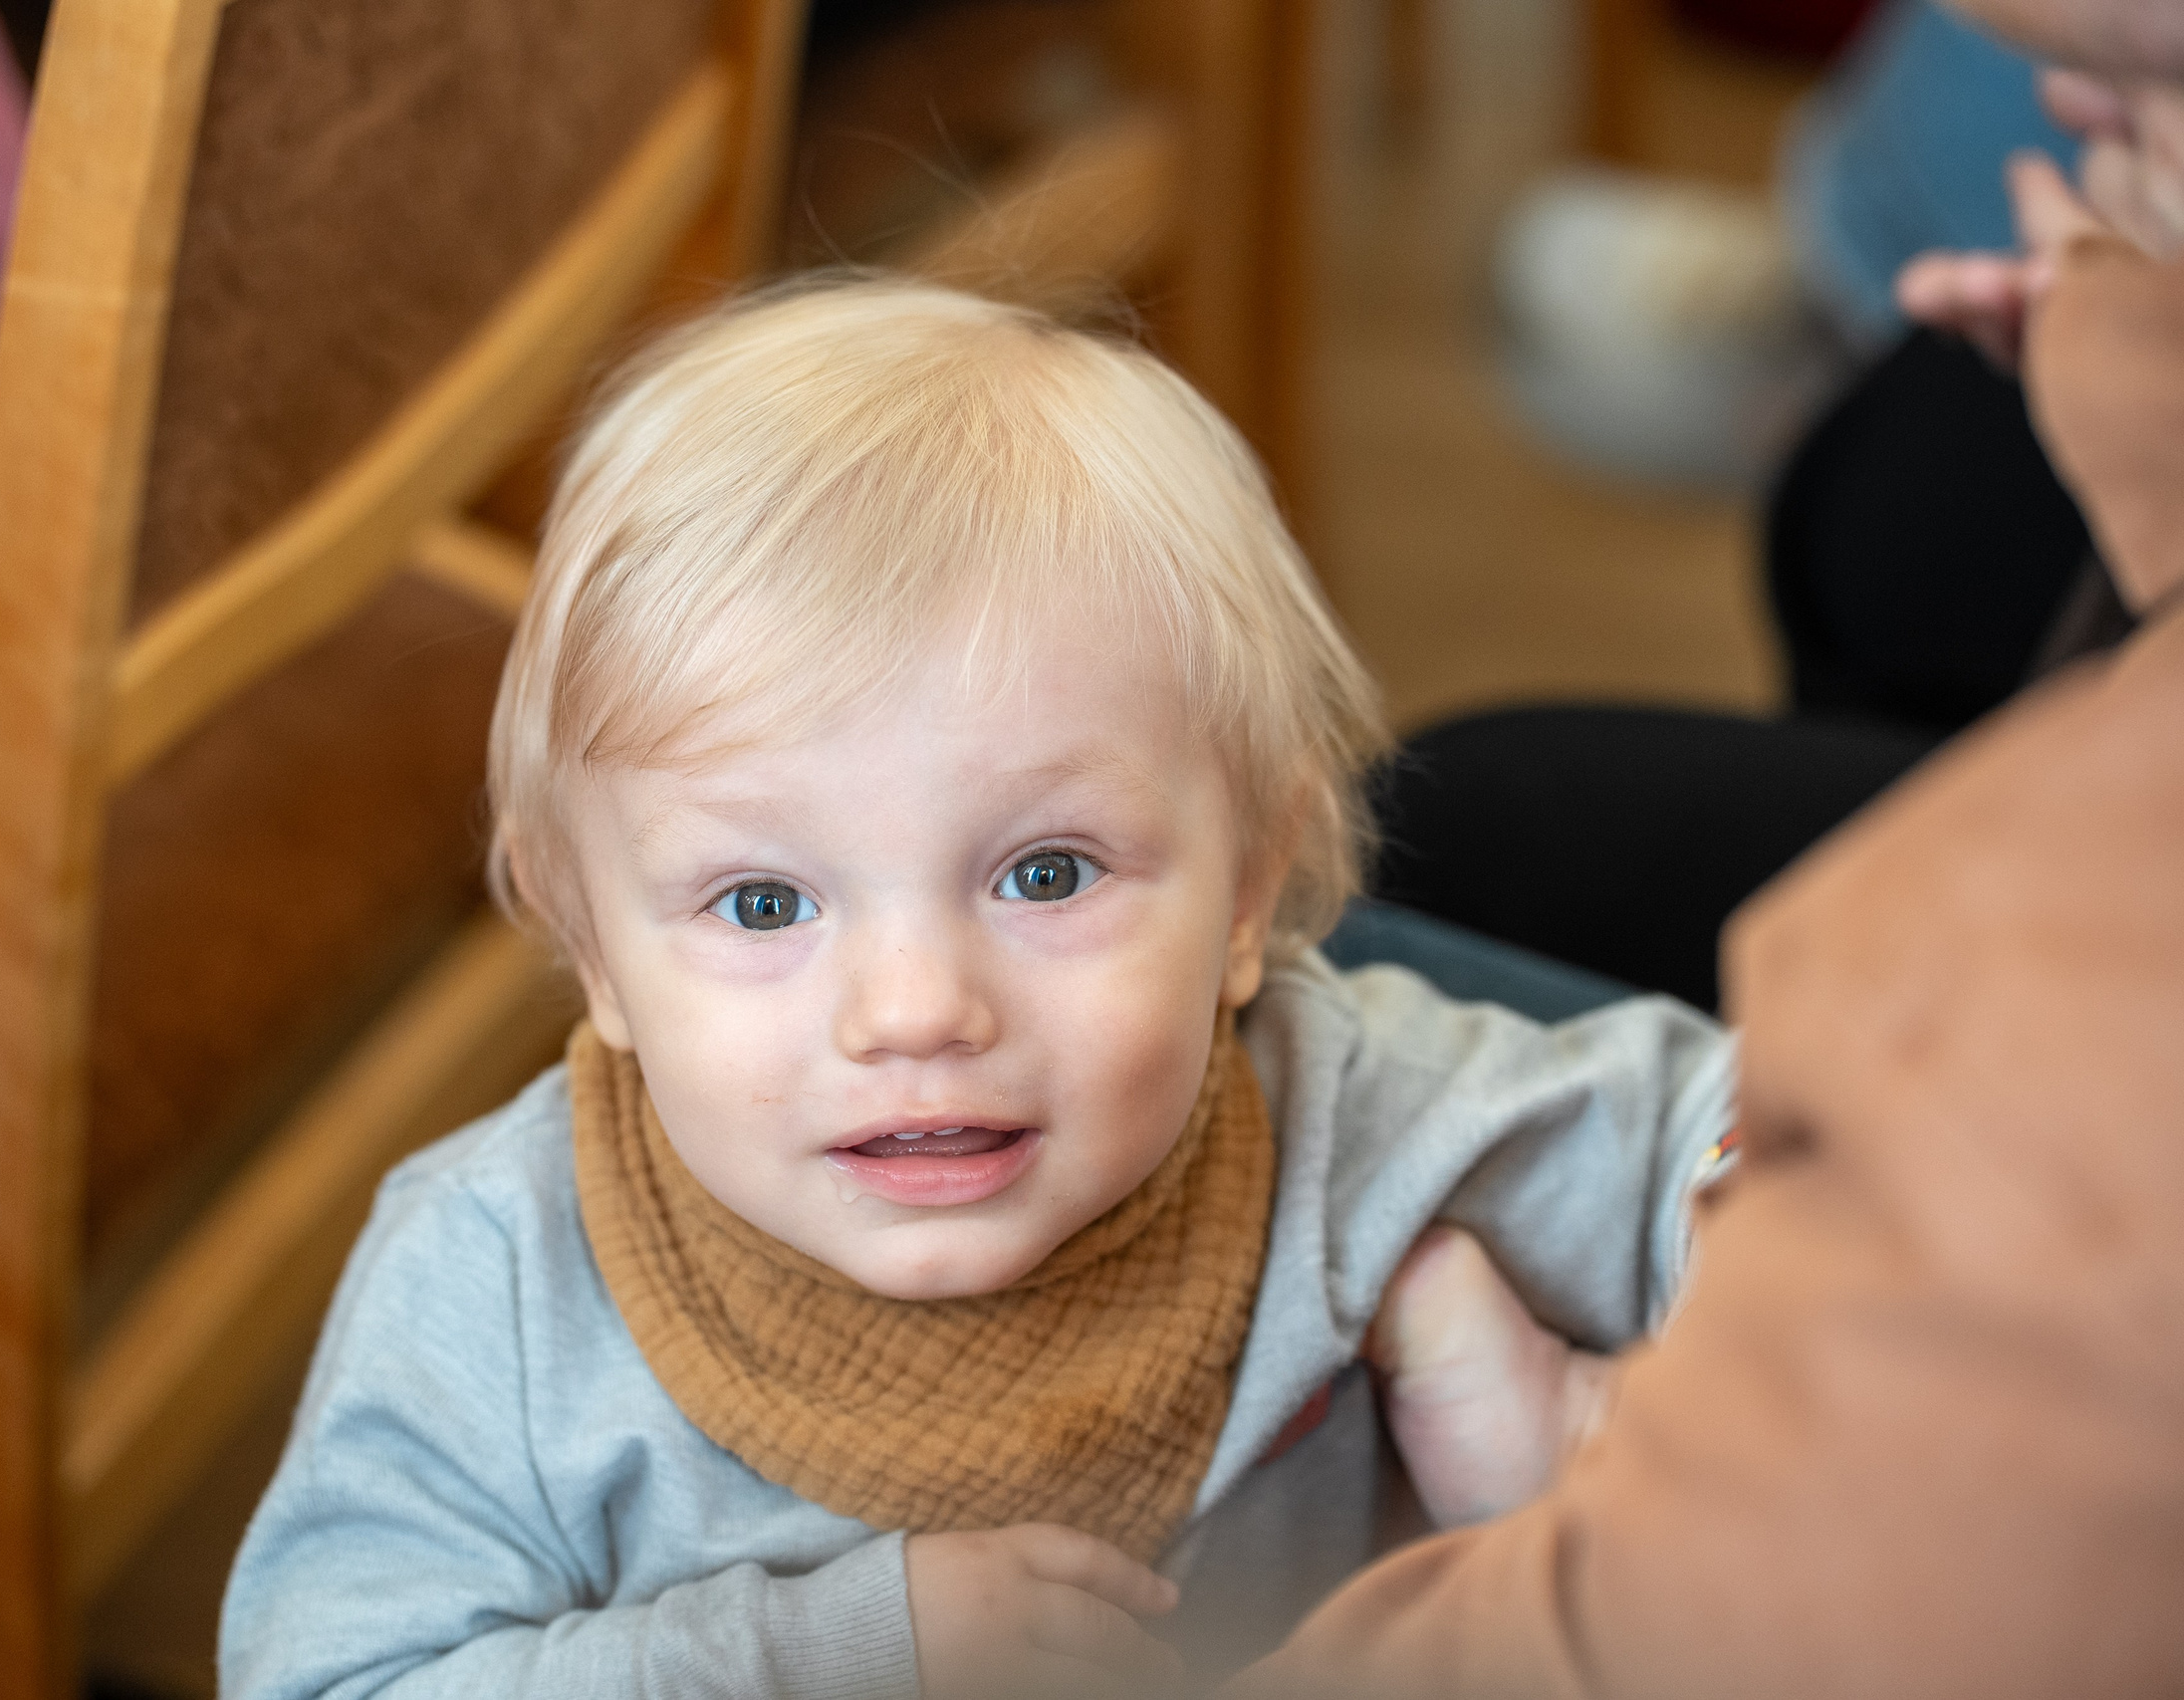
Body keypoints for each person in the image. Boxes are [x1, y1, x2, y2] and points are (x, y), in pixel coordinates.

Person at [217, 281, 1740, 1699]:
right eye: (764, 904)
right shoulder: (501, 1283)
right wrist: (818, 1655)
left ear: (1248, 892)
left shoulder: (1342, 1113)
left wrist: (1594, 1426)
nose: (916, 1011)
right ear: (594, 949)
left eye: (1046, 874)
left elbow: (1751, 1135)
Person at [1221, 1, 2184, 1687]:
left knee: (1439, 857)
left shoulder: (2044, 1045)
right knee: (1890, 493)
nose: (2048, 97)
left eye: (2142, 93)